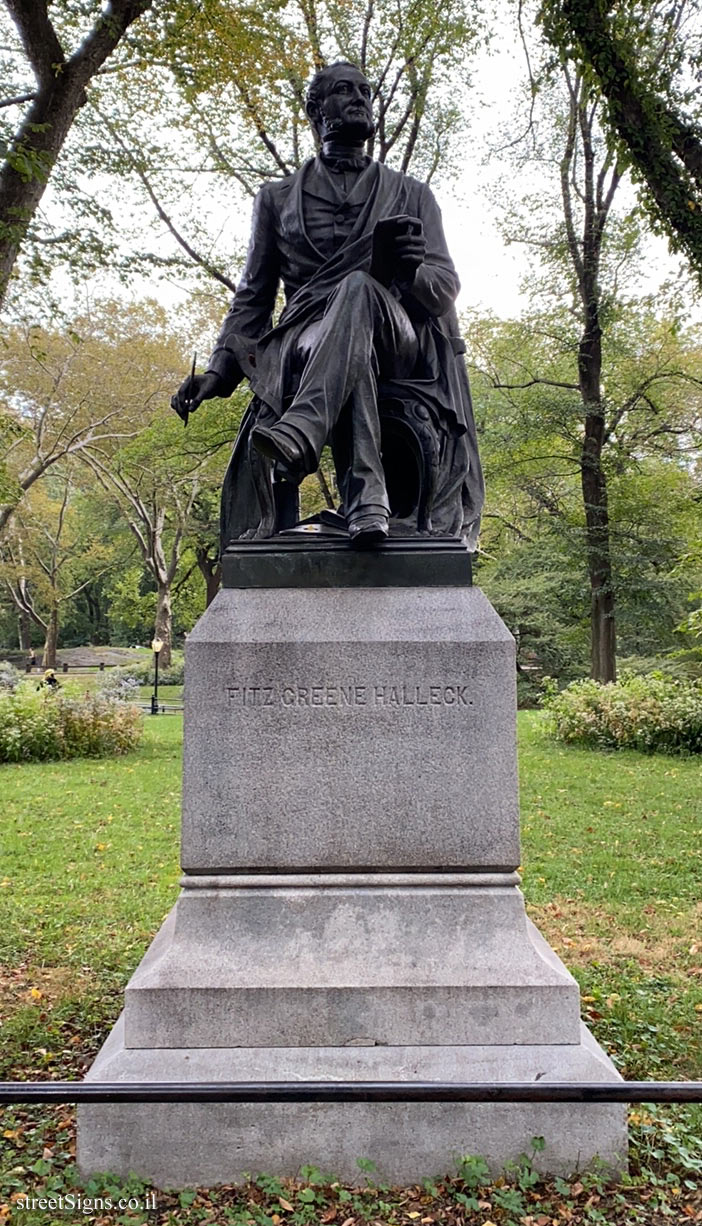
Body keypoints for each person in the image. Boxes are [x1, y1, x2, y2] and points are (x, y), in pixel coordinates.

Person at [172, 61, 483, 548]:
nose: (360, 98)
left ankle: (303, 430)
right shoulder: (276, 199)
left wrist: (409, 270)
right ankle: (366, 499)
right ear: (316, 110)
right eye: (344, 90)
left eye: (365, 91)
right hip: (305, 339)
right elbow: (253, 296)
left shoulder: (413, 194)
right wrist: (217, 372)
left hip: (396, 337)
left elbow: (445, 286)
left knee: (358, 289)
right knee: (348, 323)